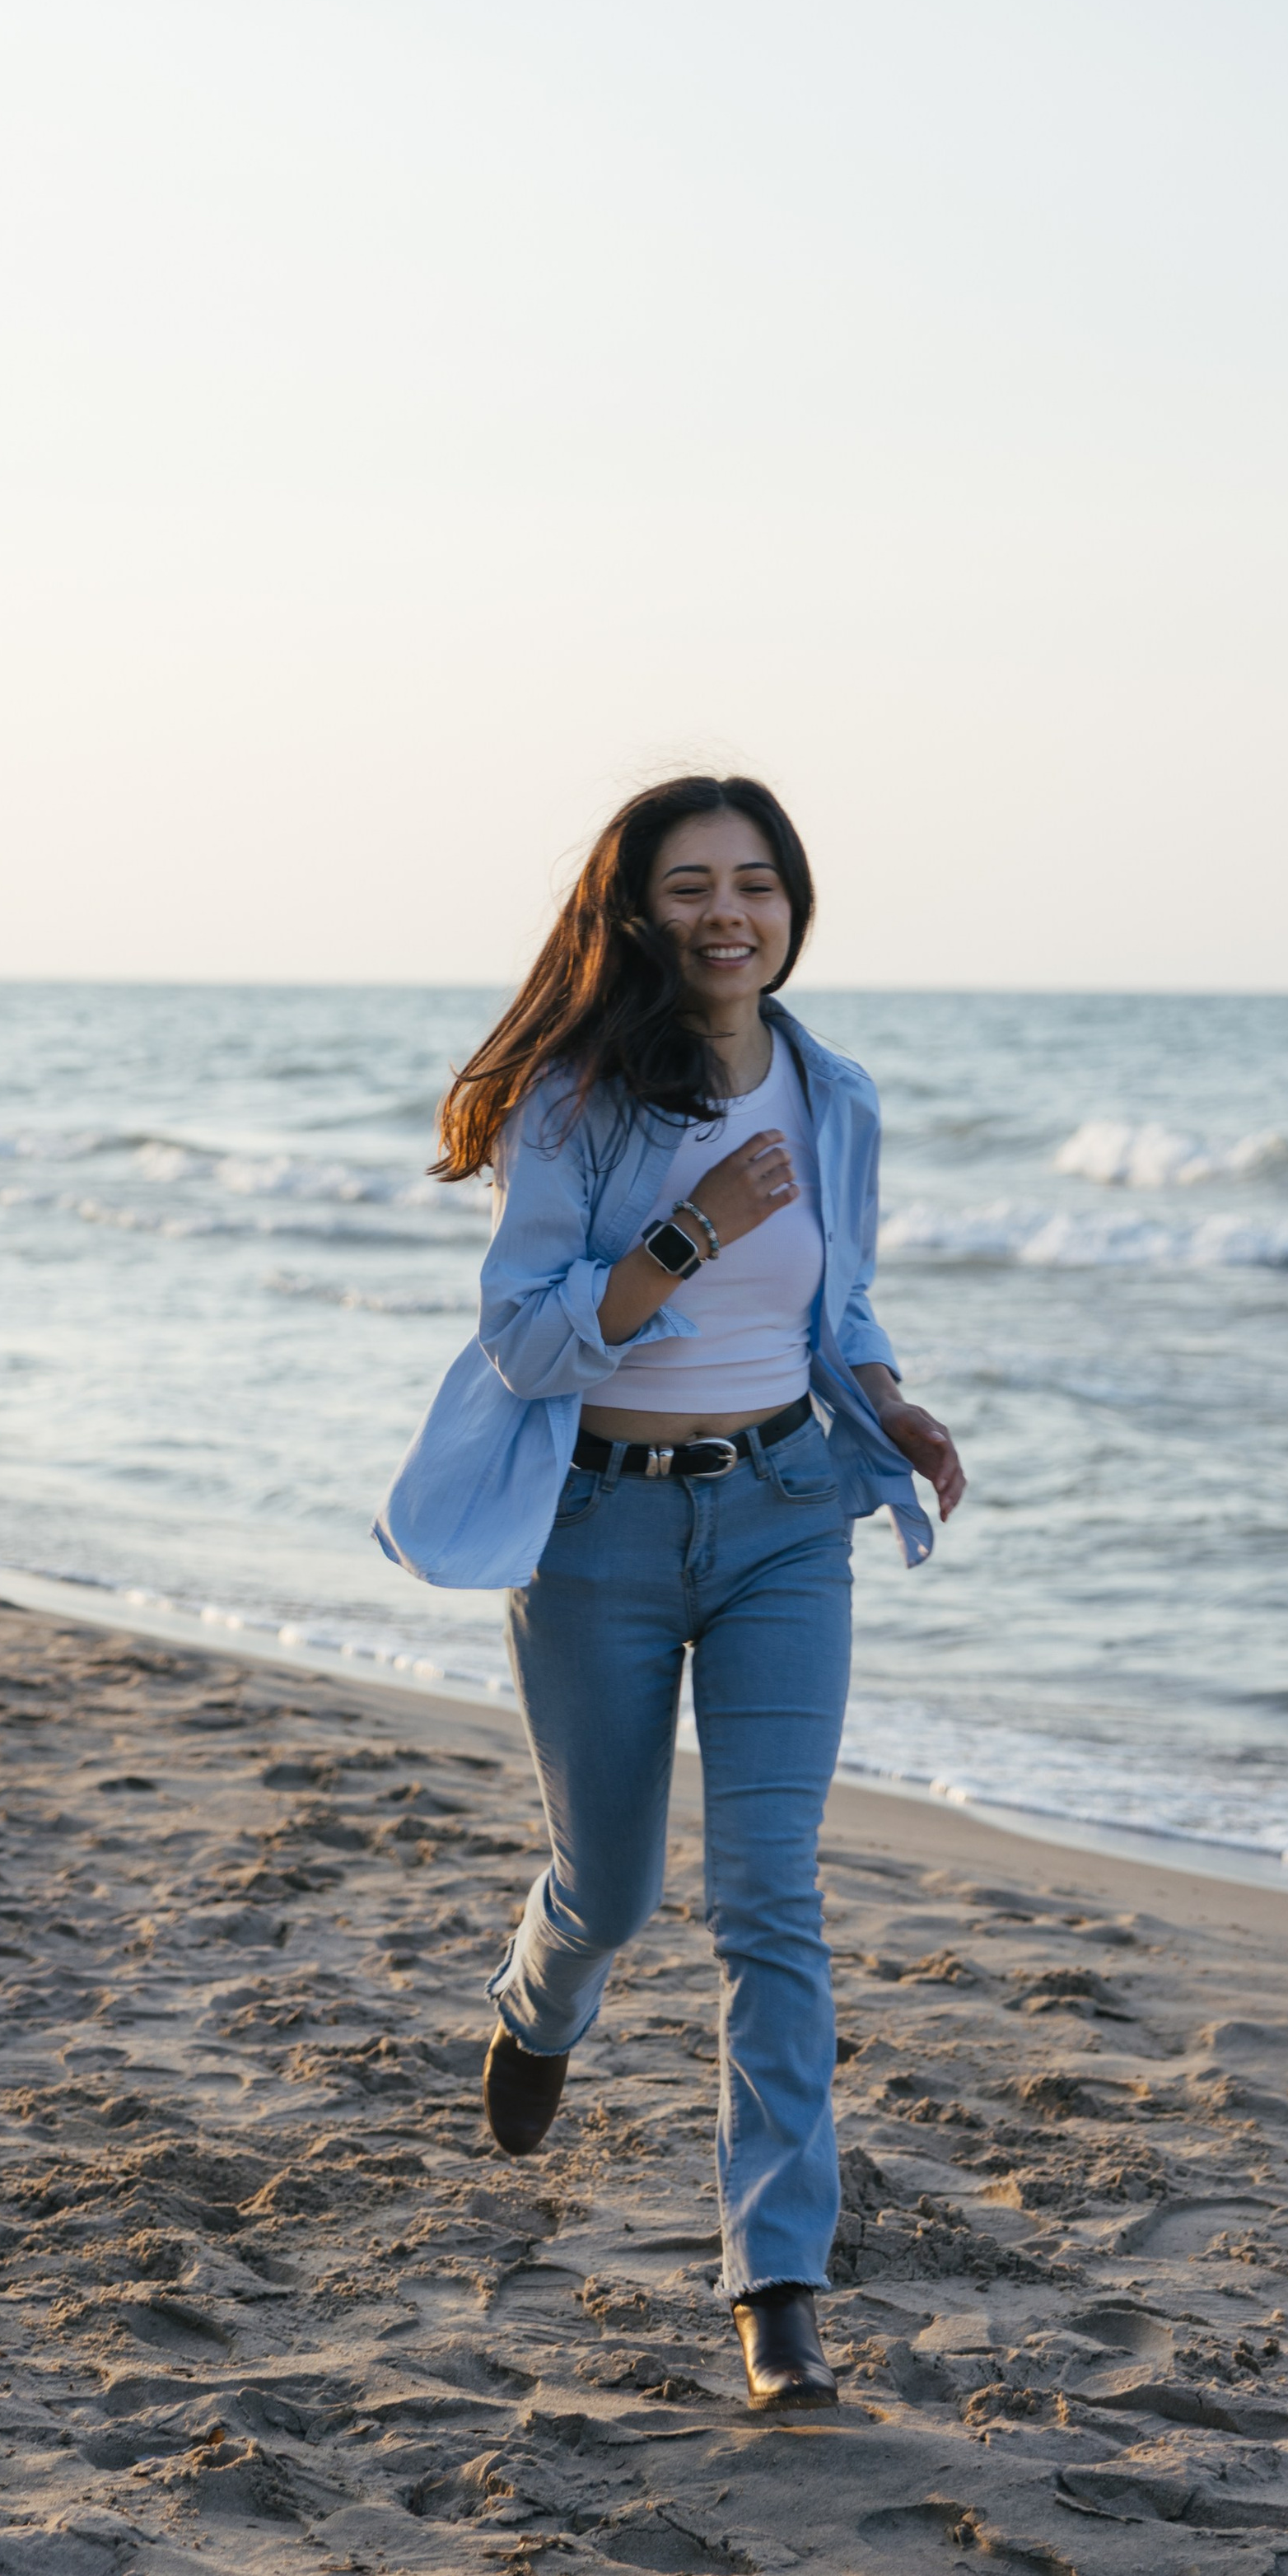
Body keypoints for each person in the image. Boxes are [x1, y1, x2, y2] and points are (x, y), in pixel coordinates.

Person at [375, 775, 964, 2409]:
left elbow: (836, 1307)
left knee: (769, 1900)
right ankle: (535, 2003)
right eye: (693, 886)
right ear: (638, 911)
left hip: (784, 1518)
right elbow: (529, 1338)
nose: (728, 914)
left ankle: (775, 2288)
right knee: (612, 1889)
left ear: (792, 906)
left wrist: (892, 1399)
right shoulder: (574, 1102)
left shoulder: (830, 1092)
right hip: (598, 1537)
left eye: (756, 884)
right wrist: (687, 1236)